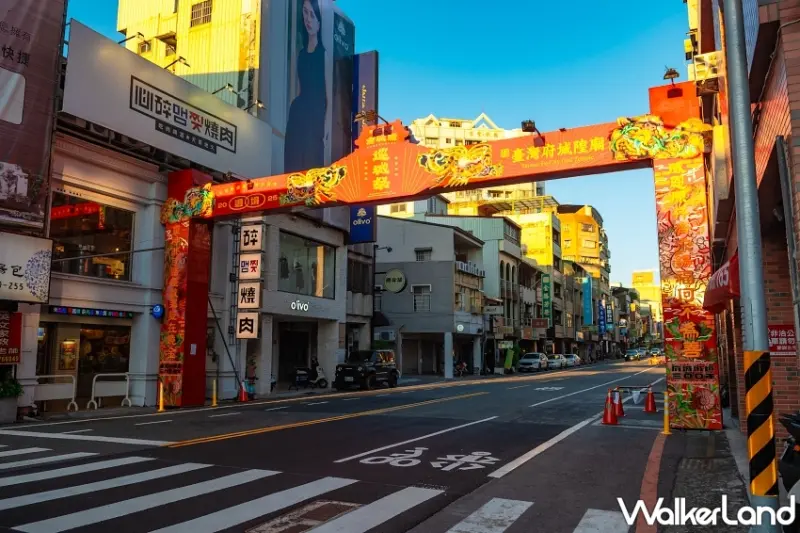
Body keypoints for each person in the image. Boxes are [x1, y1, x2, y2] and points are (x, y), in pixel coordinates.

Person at [284, 0, 327, 173]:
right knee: (292, 164)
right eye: (305, 13)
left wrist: (324, 128)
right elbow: (299, 84)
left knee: (311, 166)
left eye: (312, 14)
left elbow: (327, 95)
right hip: (297, 113)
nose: (308, 19)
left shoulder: (324, 54)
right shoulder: (301, 54)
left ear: (319, 21)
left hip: (315, 115)